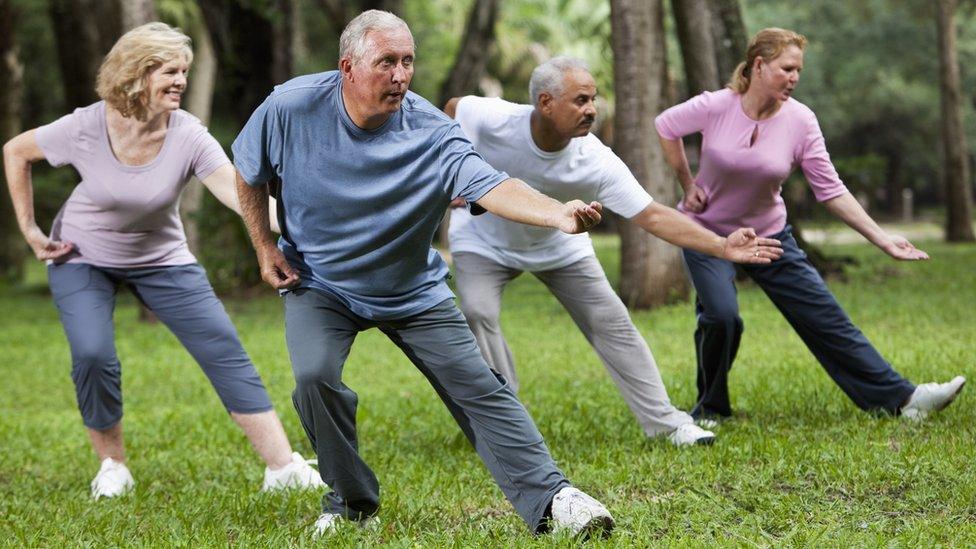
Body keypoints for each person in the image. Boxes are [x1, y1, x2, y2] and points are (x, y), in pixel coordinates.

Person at [232, 10, 615, 538]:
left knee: (481, 387)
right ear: (347, 66)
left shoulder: (433, 131)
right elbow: (247, 170)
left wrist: (557, 213)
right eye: (386, 62)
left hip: (410, 289)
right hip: (318, 280)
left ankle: (555, 499)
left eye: (408, 61)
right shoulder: (290, 107)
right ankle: (350, 503)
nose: (401, 75)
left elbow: (491, 184)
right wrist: (262, 246)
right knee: (314, 377)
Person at [2, 22, 323, 500]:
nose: (180, 81)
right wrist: (29, 228)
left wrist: (315, 223)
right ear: (136, 73)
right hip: (81, 254)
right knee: (92, 354)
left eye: (184, 72)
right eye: (169, 71)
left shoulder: (189, 135)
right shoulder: (86, 125)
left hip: (161, 257)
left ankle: (282, 466)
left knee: (223, 348)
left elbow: (241, 197)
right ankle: (113, 465)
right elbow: (15, 151)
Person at [442, 57, 784, 448]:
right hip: (483, 240)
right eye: (580, 100)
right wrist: (453, 169)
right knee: (478, 312)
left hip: (560, 245)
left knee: (614, 324)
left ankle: (668, 423)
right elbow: (453, 108)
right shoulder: (494, 118)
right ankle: (506, 425)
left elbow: (654, 216)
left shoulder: (595, 159)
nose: (592, 109)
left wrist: (722, 245)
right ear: (545, 102)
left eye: (594, 99)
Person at [654, 27, 965, 422]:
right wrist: (687, 182)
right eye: (787, 68)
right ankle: (711, 408)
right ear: (759, 65)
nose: (795, 78)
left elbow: (830, 190)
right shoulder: (717, 106)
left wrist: (883, 239)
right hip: (708, 233)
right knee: (721, 316)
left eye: (799, 70)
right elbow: (665, 126)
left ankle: (904, 400)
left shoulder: (801, 121)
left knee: (826, 317)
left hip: (769, 235)